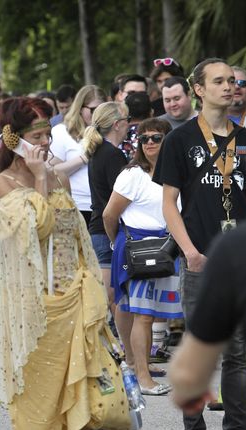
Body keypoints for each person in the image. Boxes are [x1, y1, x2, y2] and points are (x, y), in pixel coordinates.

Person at [155, 58, 246, 430]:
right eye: (220, 81)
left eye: (234, 81)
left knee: (239, 352)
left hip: (240, 264)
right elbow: (169, 204)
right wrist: (189, 251)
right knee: (197, 344)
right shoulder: (180, 140)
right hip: (198, 259)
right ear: (199, 90)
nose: (230, 87)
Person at [0, 97, 109, 430]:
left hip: (74, 303)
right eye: (37, 137)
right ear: (13, 139)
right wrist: (41, 176)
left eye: (47, 136)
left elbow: (77, 236)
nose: (45, 144)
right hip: (36, 314)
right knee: (43, 414)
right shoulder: (1, 183)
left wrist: (94, 291)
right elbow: (36, 230)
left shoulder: (59, 177)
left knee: (84, 416)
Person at [102, 118, 180, 396]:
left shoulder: (179, 172)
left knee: (164, 315)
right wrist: (119, 244)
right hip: (139, 250)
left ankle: (144, 368)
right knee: (143, 315)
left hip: (171, 249)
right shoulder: (133, 174)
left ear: (168, 141)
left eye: (156, 138)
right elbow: (109, 215)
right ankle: (143, 376)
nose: (148, 143)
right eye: (143, 138)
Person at [84, 101, 134, 372]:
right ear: (117, 124)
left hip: (99, 230)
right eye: (127, 120)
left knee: (109, 298)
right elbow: (120, 199)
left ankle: (115, 352)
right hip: (107, 232)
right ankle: (116, 353)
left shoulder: (100, 151)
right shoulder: (112, 155)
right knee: (113, 299)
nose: (129, 124)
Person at [49, 85, 107, 226]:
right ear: (80, 108)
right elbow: (52, 171)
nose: (97, 115)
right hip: (78, 205)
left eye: (102, 109)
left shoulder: (112, 130)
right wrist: (84, 158)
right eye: (93, 110)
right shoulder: (62, 131)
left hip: (108, 205)